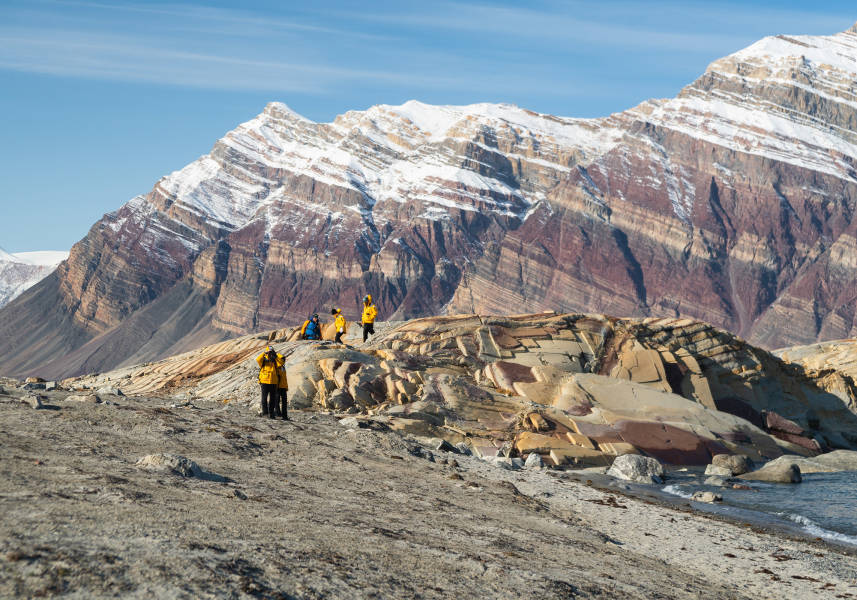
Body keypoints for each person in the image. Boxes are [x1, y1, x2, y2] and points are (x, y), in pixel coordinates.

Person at [255, 346, 279, 418]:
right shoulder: (263, 361)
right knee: (264, 398)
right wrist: (264, 353)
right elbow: (258, 359)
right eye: (269, 353)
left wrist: (276, 354)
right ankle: (265, 413)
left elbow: (282, 361)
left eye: (271, 352)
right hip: (264, 382)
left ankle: (271, 413)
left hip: (273, 382)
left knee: (272, 399)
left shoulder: (275, 360)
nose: (270, 354)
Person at [276, 353, 289, 421]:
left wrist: (286, 387)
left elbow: (285, 378)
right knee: (277, 401)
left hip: (283, 387)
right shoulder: (276, 367)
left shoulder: (283, 367)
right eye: (282, 359)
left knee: (284, 402)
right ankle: (278, 414)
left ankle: (284, 416)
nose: (284, 361)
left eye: (284, 359)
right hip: (277, 387)